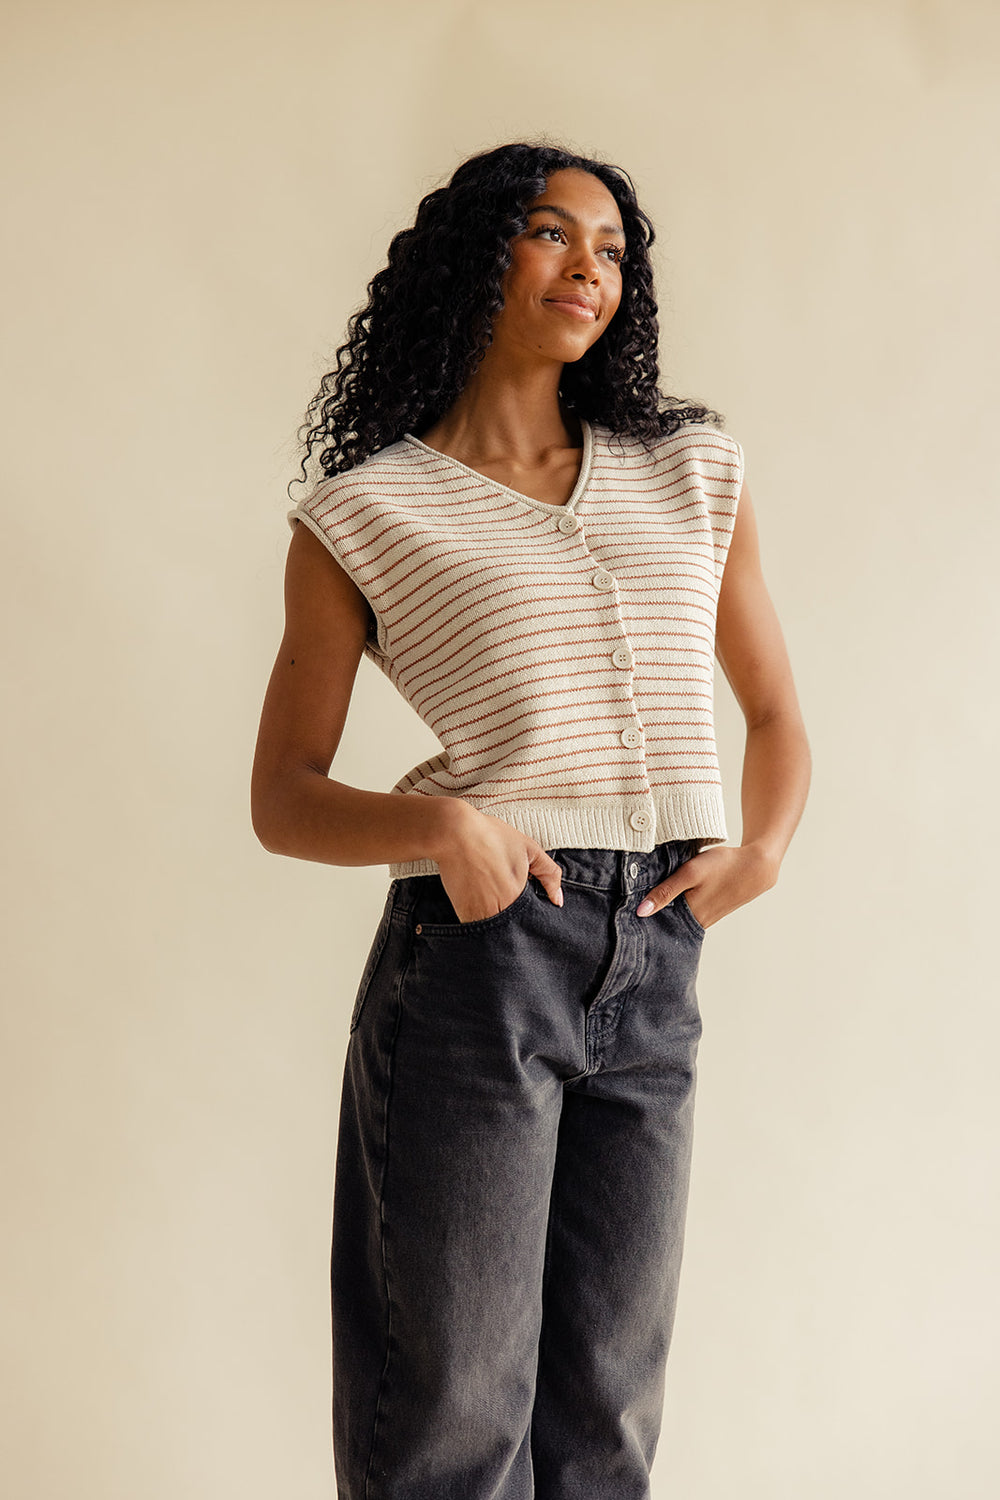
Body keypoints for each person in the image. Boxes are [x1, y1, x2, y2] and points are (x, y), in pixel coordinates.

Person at [251, 141, 810, 1500]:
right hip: (482, 957)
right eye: (554, 233)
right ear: (479, 253)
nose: (588, 269)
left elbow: (776, 714)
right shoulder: (365, 513)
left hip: (659, 957)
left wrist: (761, 852)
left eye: (612, 251)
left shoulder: (690, 470)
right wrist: (445, 830)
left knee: (608, 1411)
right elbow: (283, 797)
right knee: (455, 1411)